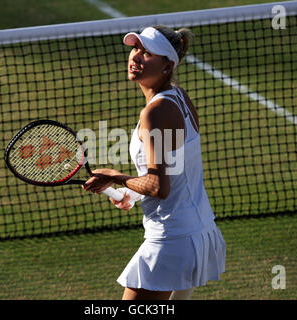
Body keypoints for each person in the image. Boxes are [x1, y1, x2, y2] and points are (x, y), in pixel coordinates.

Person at [83, 26, 226, 300]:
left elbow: (159, 186)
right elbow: (173, 169)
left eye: (147, 53)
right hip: (198, 232)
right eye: (136, 49)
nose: (136, 57)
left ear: (167, 65)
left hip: (171, 241)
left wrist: (115, 176)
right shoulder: (178, 97)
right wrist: (131, 194)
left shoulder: (156, 112)